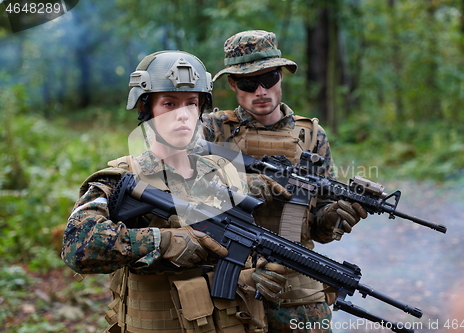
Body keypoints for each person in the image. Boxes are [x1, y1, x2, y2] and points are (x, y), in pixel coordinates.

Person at [61, 50, 285, 333]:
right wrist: (164, 242)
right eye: (169, 104)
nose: (182, 115)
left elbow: (243, 240)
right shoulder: (121, 179)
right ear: (146, 109)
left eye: (191, 104)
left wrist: (258, 271)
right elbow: (77, 246)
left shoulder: (223, 172)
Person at [202, 30, 368, 332]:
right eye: (248, 83)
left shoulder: (311, 136)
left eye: (269, 79)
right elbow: (177, 191)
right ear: (232, 84)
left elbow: (317, 227)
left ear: (282, 76)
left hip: (297, 289)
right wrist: (240, 188)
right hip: (231, 284)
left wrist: (336, 217)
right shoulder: (212, 130)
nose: (261, 91)